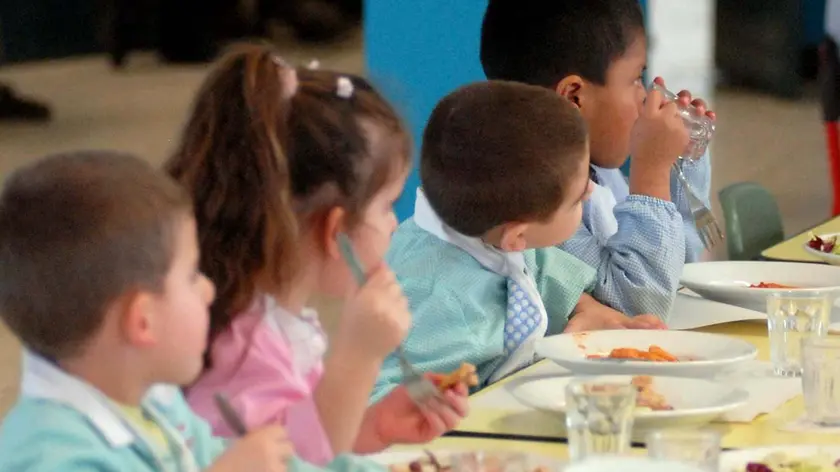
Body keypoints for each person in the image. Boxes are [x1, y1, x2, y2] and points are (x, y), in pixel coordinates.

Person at [166, 43, 469, 467]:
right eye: (386, 207)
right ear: (334, 229)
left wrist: (373, 427)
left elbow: (300, 439)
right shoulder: (242, 350)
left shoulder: (267, 323)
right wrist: (360, 356)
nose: (392, 225)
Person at [0, 151, 297, 471]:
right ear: (143, 321)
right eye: (192, 274)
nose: (208, 290)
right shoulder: (48, 458)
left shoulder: (151, 396)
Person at [371, 81, 667, 401]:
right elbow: (374, 394)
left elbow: (542, 270)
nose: (591, 192)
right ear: (518, 236)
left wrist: (592, 310)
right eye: (578, 199)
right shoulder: (446, 308)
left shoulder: (482, 231)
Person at [480, 0, 716, 318]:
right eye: (634, 79)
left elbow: (674, 272)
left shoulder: (597, 173)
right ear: (574, 97)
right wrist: (651, 174)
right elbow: (640, 306)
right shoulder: (533, 205)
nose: (646, 96)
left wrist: (681, 158)